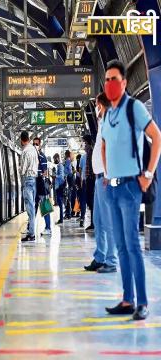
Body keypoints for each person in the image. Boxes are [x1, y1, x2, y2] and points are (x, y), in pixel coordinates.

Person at [102, 60, 161, 320]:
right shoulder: (108, 114)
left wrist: (147, 174)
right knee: (121, 247)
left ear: (124, 83)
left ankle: (143, 302)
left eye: (114, 79)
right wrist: (106, 173)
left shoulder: (133, 108)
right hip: (112, 189)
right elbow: (104, 144)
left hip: (130, 187)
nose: (109, 84)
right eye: (106, 80)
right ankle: (127, 299)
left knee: (132, 245)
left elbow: (157, 136)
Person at [85, 93, 117, 273]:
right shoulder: (103, 122)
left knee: (108, 221)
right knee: (98, 219)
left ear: (102, 104)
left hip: (105, 178)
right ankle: (100, 256)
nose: (96, 109)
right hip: (99, 178)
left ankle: (111, 261)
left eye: (97, 105)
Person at [19, 131, 39, 242]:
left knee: (30, 208)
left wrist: (19, 170)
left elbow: (23, 169)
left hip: (28, 180)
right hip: (34, 180)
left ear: (22, 140)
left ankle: (31, 234)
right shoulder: (34, 150)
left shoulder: (25, 151)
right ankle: (31, 232)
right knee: (32, 207)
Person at [33, 137, 51, 236]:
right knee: (34, 206)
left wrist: (39, 175)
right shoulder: (34, 156)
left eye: (36, 144)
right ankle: (29, 227)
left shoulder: (42, 156)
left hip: (41, 184)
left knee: (44, 206)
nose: (35, 145)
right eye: (33, 144)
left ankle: (48, 228)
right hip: (36, 182)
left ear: (40, 145)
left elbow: (44, 172)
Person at [83, 134, 96, 230]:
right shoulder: (89, 151)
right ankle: (93, 222)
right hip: (90, 178)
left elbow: (91, 165)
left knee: (91, 201)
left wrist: (90, 177)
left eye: (83, 142)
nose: (83, 145)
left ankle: (93, 223)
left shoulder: (90, 151)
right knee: (90, 201)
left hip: (91, 178)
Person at [53, 153, 65, 225]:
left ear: (57, 158)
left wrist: (55, 176)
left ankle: (61, 219)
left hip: (60, 186)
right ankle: (61, 218)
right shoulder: (59, 166)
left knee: (60, 203)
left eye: (54, 159)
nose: (54, 160)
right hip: (59, 186)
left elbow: (61, 176)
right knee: (60, 203)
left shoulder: (60, 166)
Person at [63, 150, 73, 219]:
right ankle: (68, 213)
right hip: (69, 181)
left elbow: (69, 172)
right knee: (67, 197)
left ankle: (68, 214)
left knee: (67, 198)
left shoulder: (67, 161)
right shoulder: (69, 161)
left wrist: (65, 175)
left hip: (68, 181)